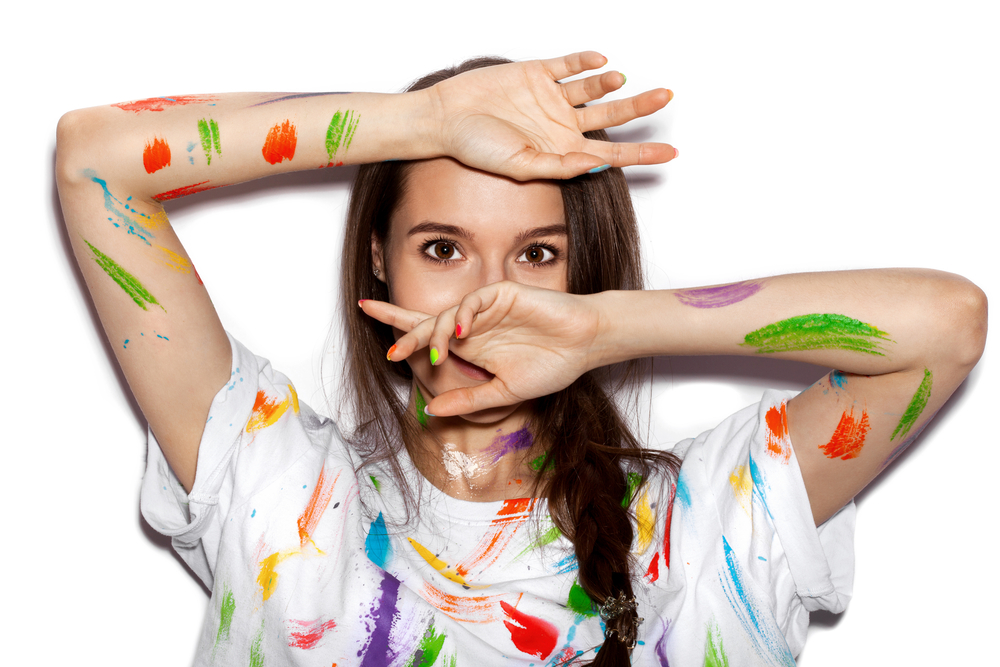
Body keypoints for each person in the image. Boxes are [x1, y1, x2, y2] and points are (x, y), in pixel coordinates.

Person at [55, 52, 986, 666]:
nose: (488, 304)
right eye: (442, 248)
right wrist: (420, 122)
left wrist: (608, 327)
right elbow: (96, 160)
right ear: (379, 257)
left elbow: (946, 324)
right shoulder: (278, 489)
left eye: (538, 256)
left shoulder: (704, 530)